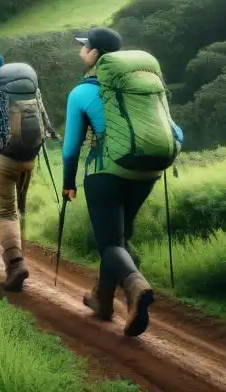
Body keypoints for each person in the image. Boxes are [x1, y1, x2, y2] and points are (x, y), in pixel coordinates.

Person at [62, 26, 184, 338]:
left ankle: (135, 285)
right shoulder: (143, 88)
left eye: (84, 46)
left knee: (109, 243)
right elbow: (177, 134)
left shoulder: (82, 92)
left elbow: (71, 146)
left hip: (106, 173)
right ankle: (103, 301)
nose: (80, 51)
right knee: (119, 236)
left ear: (95, 54)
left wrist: (68, 182)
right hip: (147, 173)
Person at [0, 52, 57, 291]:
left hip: (1, 161)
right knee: (19, 210)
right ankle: (20, 256)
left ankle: (16, 264)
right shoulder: (29, 94)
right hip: (28, 160)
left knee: (6, 212)